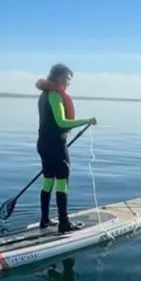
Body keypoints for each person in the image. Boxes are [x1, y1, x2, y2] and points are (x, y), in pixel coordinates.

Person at [35, 64, 97, 233]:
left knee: (48, 181)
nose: (69, 82)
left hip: (43, 145)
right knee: (62, 182)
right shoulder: (54, 95)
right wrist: (86, 121)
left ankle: (45, 220)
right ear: (58, 77)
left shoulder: (44, 95)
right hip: (56, 146)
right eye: (67, 79)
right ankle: (64, 224)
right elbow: (61, 122)